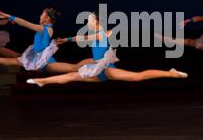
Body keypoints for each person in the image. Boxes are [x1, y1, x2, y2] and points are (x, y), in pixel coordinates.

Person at [27, 11, 188, 87]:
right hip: (97, 70)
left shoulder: (100, 34)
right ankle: (42, 81)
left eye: (90, 19)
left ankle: (171, 72)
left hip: (106, 69)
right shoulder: (100, 32)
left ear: (96, 21)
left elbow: (84, 38)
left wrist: (67, 39)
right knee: (69, 76)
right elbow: (82, 38)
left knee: (136, 77)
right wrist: (66, 40)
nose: (87, 21)